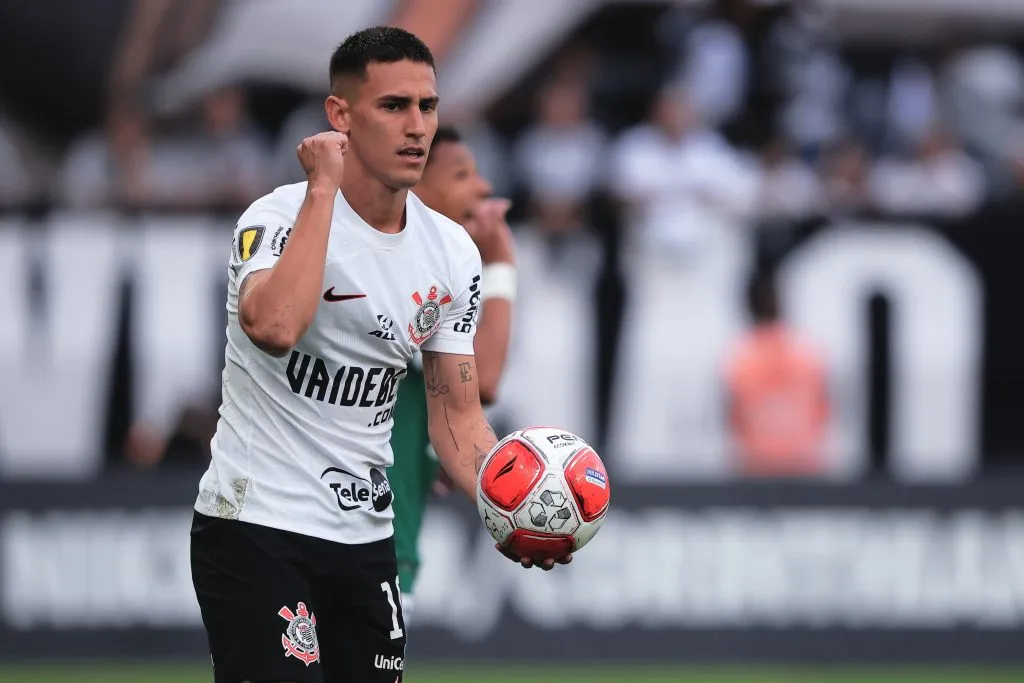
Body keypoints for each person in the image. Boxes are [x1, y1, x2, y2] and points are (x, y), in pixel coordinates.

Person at [189, 26, 568, 683]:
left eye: (428, 106)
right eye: (394, 106)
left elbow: (459, 415)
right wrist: (321, 190)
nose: (417, 125)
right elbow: (275, 324)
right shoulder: (274, 218)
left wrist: (510, 505)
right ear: (340, 116)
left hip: (367, 540)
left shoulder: (451, 253)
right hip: (257, 526)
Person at [387, 125, 516, 621]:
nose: (483, 189)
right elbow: (482, 382)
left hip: (385, 546)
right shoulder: (405, 272)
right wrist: (502, 263)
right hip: (357, 547)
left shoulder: (445, 276)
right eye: (462, 174)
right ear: (415, 187)